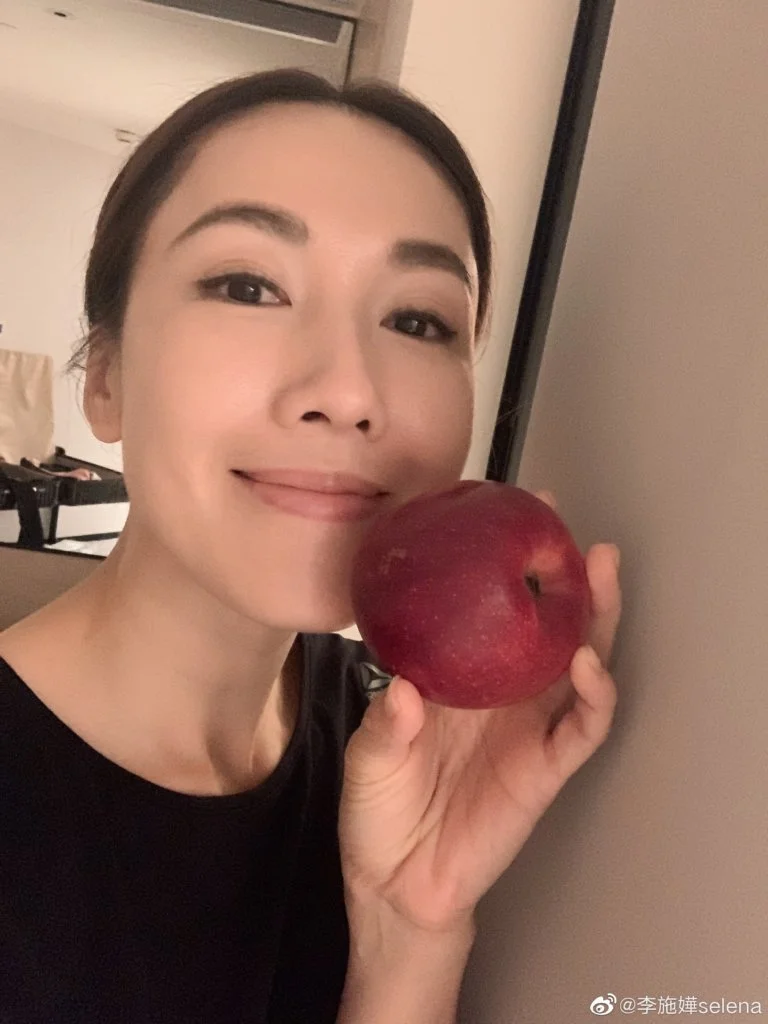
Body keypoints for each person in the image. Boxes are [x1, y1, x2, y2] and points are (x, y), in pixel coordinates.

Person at [0, 69, 622, 1023]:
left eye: (417, 320)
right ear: (106, 378)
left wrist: (412, 931)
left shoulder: (389, 744)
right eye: (248, 286)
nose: (349, 391)